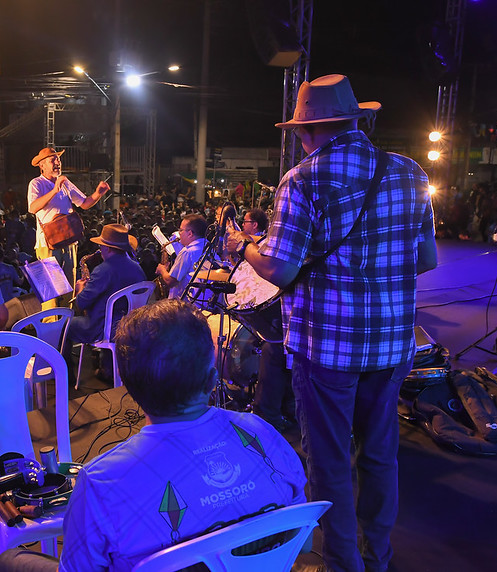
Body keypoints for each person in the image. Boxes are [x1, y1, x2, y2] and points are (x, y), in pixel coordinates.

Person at [228, 74, 438, 572]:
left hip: (326, 348)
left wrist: (247, 248)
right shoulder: (410, 172)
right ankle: (377, 558)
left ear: (307, 130)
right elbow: (425, 259)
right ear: (355, 119)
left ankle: (344, 565)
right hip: (390, 345)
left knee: (329, 461)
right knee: (380, 455)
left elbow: (279, 268)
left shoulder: (302, 178)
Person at [0, 299, 306, 571]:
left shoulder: (102, 482)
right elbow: (301, 544)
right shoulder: (263, 434)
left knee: (8, 560)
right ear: (212, 379)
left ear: (129, 390)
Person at [225, 209, 295, 432]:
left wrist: (243, 246)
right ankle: (279, 412)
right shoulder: (267, 240)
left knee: (273, 353)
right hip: (290, 322)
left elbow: (274, 271)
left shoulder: (280, 242)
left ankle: (267, 419)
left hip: (286, 319)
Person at [27, 147, 109, 307]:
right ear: (42, 165)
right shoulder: (36, 183)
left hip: (69, 242)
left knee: (68, 291)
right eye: (53, 160)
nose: (57, 163)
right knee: (51, 295)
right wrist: (55, 189)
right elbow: (32, 208)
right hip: (48, 245)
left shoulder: (65, 182)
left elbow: (84, 203)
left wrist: (98, 193)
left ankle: (66, 326)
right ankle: (51, 328)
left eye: (58, 159)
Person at [67, 224, 146, 379]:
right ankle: (109, 371)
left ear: (109, 248)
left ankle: (65, 376)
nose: (100, 249)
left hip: (105, 328)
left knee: (64, 326)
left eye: (101, 246)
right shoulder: (137, 268)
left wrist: (80, 288)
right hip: (132, 325)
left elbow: (81, 303)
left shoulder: (103, 270)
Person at [155, 213, 208, 301]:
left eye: (181, 230)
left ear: (190, 233)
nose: (179, 234)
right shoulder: (208, 247)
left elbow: (170, 281)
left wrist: (162, 269)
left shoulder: (187, 252)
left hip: (184, 304)